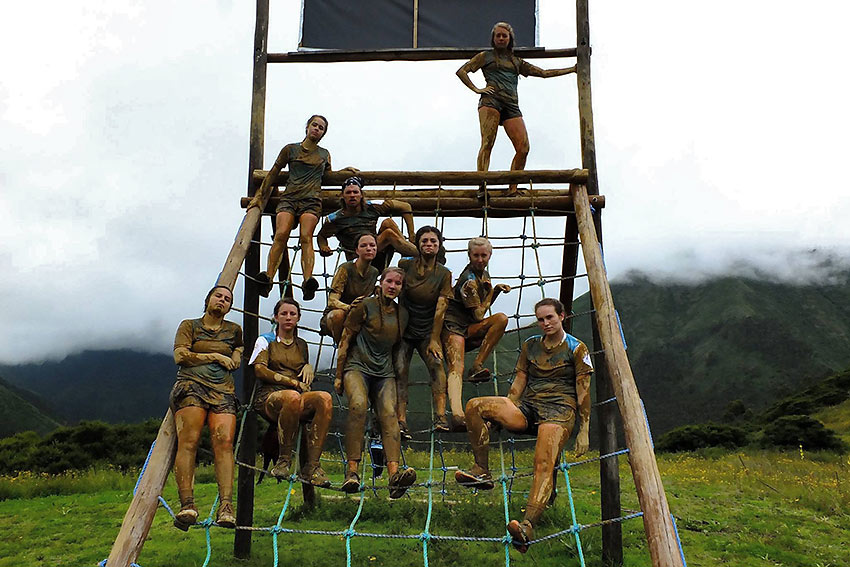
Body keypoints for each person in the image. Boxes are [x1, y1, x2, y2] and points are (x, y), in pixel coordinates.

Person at [455, 298, 593, 553]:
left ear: (562, 316)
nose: (545, 323)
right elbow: (520, 382)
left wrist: (583, 430)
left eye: (550, 317)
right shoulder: (530, 345)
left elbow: (583, 392)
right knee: (475, 405)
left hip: (560, 410)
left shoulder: (577, 348)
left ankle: (527, 526)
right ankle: (481, 470)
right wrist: (505, 409)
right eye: (541, 319)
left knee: (543, 464)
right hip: (530, 406)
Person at [456, 22, 577, 196]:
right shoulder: (485, 56)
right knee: (488, 143)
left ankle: (512, 188)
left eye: (504, 35)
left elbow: (543, 72)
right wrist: (477, 89)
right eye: (498, 35)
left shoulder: (516, 61)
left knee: (523, 148)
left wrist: (571, 69)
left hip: (511, 105)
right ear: (493, 38)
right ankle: (482, 186)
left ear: (510, 39)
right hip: (491, 101)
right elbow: (462, 71)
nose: (501, 38)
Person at [247, 115, 358, 300]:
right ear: (307, 127)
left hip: (311, 200)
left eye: (321, 128)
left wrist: (343, 173)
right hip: (289, 198)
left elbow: (328, 176)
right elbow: (274, 172)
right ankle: (268, 277)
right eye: (314, 125)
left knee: (306, 236)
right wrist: (259, 197)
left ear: (323, 133)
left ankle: (308, 281)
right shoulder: (291, 149)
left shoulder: (324, 154)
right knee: (281, 234)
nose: (317, 129)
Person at [334, 267, 416, 498]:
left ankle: (394, 476)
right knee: (358, 405)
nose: (393, 286)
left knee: (389, 414)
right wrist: (339, 375)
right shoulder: (364, 306)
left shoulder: (403, 315)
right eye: (389, 281)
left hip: (384, 371)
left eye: (397, 283)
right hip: (357, 366)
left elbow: (399, 349)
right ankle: (352, 471)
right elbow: (346, 339)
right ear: (380, 282)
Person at [170, 285, 244, 530]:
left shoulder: (234, 330)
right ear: (208, 299)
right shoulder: (189, 326)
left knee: (224, 443)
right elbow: (180, 356)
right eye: (218, 296)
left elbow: (237, 355)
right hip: (191, 386)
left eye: (227, 299)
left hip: (223, 390)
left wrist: (235, 355)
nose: (222, 301)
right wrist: (214, 356)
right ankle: (187, 504)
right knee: (188, 441)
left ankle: (226, 507)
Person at [249, 298, 333, 487]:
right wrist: (291, 382)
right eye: (284, 313)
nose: (288, 317)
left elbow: (302, 372)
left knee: (325, 398)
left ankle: (312, 465)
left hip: (296, 395)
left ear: (298, 318)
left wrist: (308, 366)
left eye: (292, 314)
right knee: (292, 396)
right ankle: (283, 460)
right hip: (270, 396)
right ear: (276, 317)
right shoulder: (265, 340)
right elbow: (260, 370)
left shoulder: (301, 344)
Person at [442, 236, 510, 429]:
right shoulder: (469, 281)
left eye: (484, 255)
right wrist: (493, 292)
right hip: (453, 326)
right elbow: (480, 314)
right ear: (469, 255)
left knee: (501, 319)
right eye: (476, 256)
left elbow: (480, 310)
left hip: (470, 326)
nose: (480, 259)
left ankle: (478, 365)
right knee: (456, 367)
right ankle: (457, 414)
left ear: (490, 255)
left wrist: (491, 292)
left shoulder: (484, 274)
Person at [393, 226, 453, 438]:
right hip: (404, 328)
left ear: (439, 245)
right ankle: (400, 419)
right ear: (418, 244)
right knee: (399, 370)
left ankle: (440, 416)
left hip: (428, 329)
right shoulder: (405, 266)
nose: (429, 244)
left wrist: (435, 338)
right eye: (425, 240)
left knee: (437, 365)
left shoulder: (444, 274)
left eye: (433, 241)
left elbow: (442, 306)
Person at [317, 176, 417, 270]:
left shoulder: (372, 207)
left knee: (388, 223)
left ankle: (409, 254)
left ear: (361, 195)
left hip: (377, 254)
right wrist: (323, 247)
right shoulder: (335, 219)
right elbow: (321, 236)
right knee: (388, 234)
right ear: (343, 196)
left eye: (355, 192)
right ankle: (420, 255)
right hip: (357, 260)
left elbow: (405, 207)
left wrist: (411, 235)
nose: (352, 195)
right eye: (348, 193)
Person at [320, 232, 380, 343]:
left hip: (357, 316)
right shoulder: (346, 268)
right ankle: (343, 350)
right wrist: (349, 307)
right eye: (363, 246)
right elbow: (332, 301)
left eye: (372, 245)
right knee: (338, 315)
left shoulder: (374, 272)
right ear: (357, 250)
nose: (369, 248)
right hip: (337, 314)